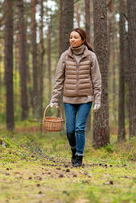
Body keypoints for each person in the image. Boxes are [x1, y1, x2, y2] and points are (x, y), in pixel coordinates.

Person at [49, 28, 101, 167]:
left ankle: (79, 155)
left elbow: (96, 79)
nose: (72, 39)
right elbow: (59, 79)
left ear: (83, 40)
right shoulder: (65, 56)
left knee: (79, 128)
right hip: (69, 99)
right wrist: (54, 98)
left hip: (86, 98)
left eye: (75, 37)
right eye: (71, 37)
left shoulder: (91, 56)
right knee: (70, 129)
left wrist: (98, 99)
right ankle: (73, 150)